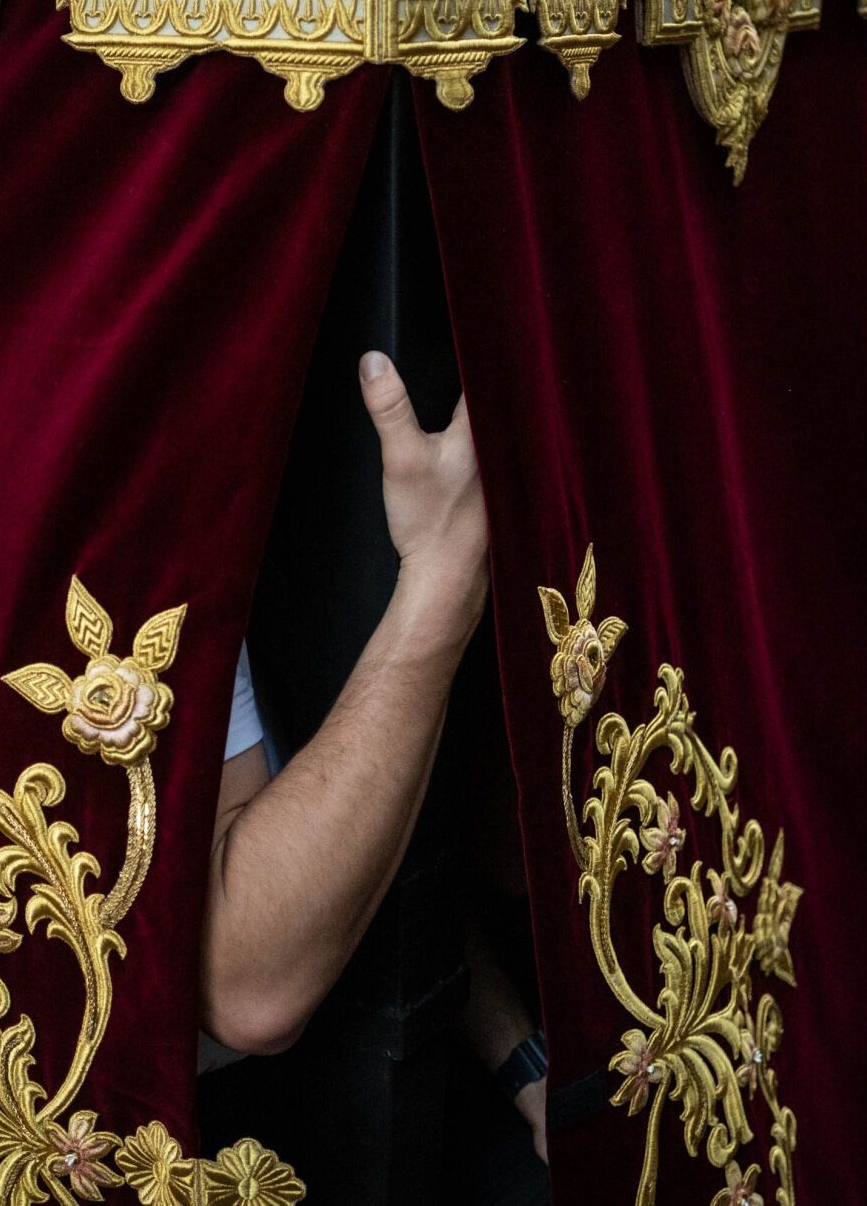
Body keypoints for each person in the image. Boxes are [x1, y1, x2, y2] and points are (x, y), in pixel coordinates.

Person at [198, 350, 549, 1157]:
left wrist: (524, 1063)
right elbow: (247, 983)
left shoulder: (282, 587)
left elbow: (365, 866)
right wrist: (446, 578)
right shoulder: (144, 576)